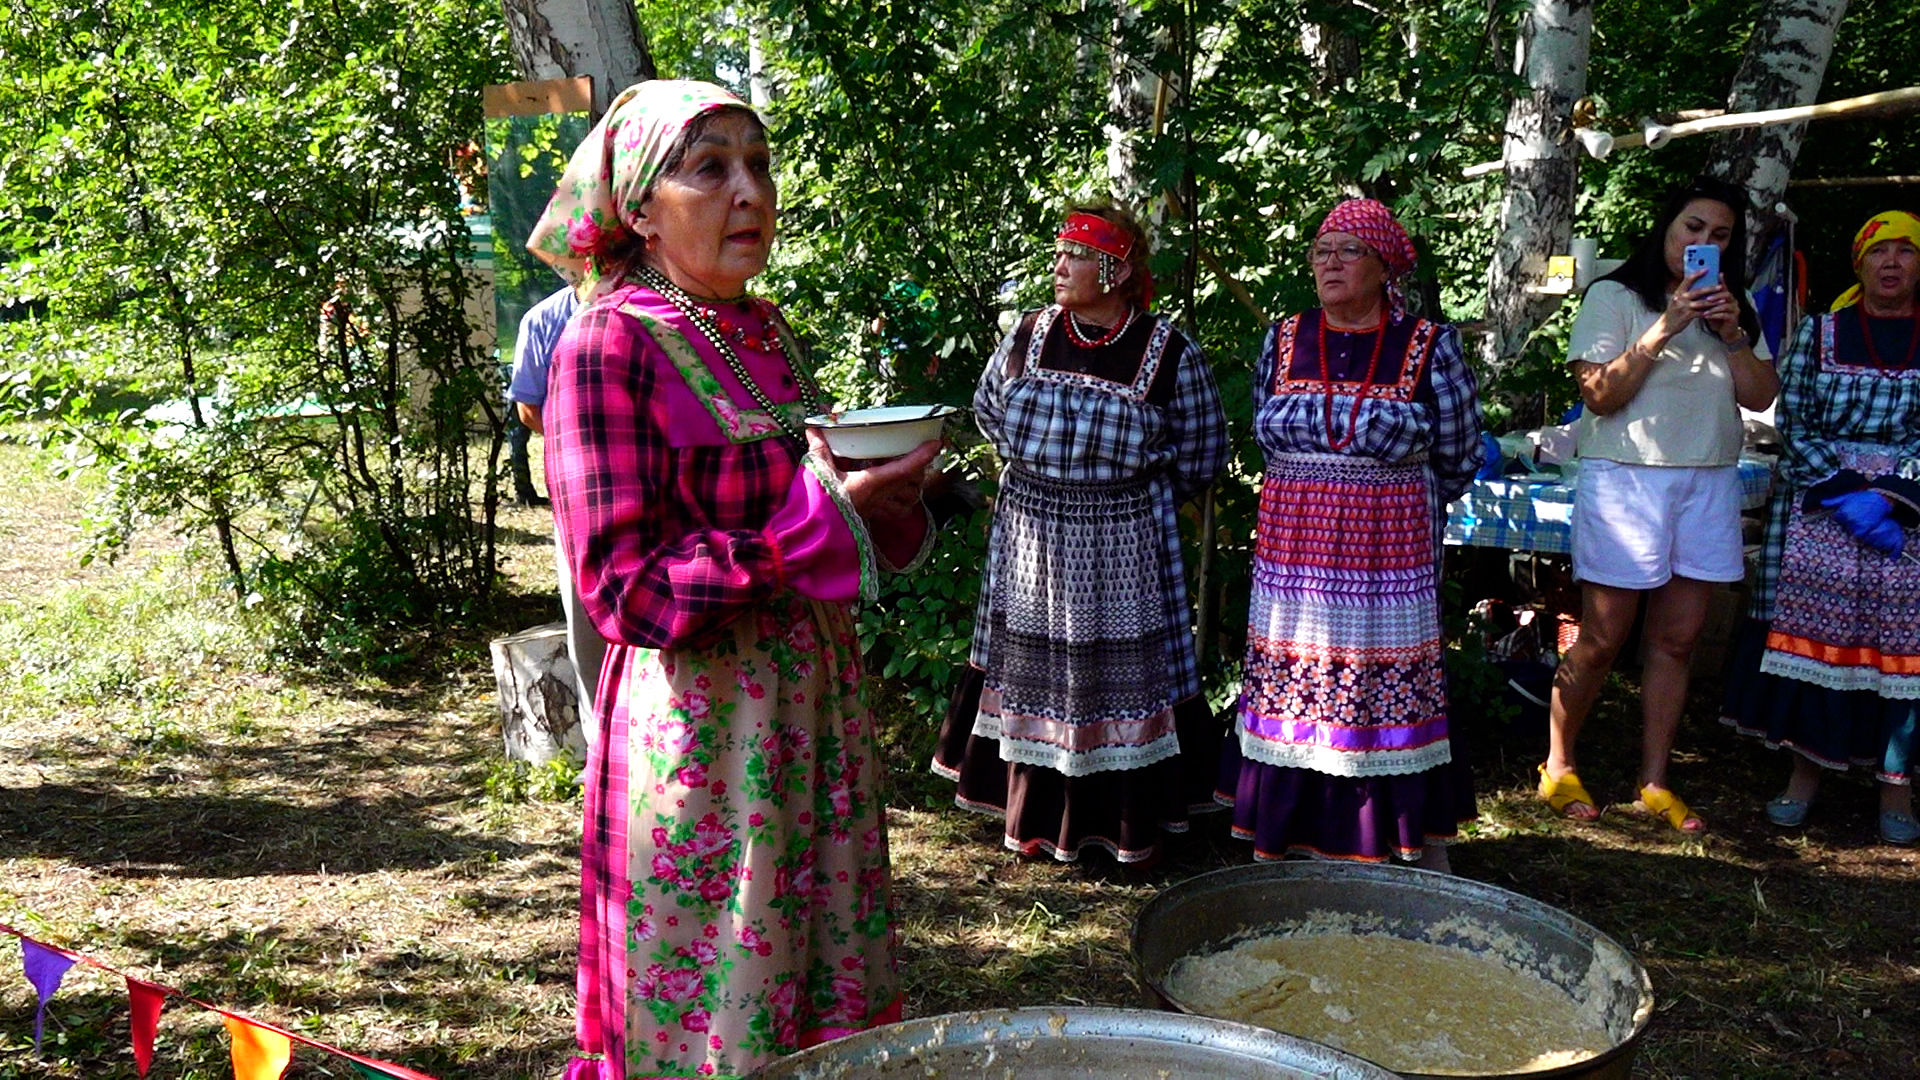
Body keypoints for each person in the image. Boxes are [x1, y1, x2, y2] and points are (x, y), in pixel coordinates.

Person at [526, 80, 939, 1080]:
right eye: (709, 168)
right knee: (710, 984)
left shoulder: (760, 328)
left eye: (757, 163)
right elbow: (622, 589)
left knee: (815, 956)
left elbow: (805, 506)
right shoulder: (606, 345)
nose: (748, 191)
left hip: (812, 703)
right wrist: (804, 530)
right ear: (638, 204)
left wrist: (880, 506)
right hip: (705, 730)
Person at [932, 204, 1229, 865]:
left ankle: (1120, 822)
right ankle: (1033, 816)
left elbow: (1204, 450)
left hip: (1119, 547)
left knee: (1111, 676)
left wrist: (1126, 499)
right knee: (1035, 668)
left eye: (1075, 255)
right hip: (1032, 537)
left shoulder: (1168, 351)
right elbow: (987, 408)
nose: (1058, 266)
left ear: (1117, 271)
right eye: (1059, 252)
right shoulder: (1030, 333)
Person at [1216, 198, 1484, 870]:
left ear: (1384, 266)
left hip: (1384, 565)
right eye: (1320, 251)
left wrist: (1383, 500)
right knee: (1296, 682)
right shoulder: (1282, 339)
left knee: (1374, 689)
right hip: (1294, 564)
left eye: (1348, 251)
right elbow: (1260, 432)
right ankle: (1287, 839)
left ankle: (1390, 843)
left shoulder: (1428, 345)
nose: (1330, 263)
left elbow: (1458, 453)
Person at [1538, 178, 1780, 833]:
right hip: (1625, 481)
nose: (1704, 244)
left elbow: (1760, 397)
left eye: (1720, 236)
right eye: (1692, 228)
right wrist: (1668, 324)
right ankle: (1557, 766)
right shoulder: (1613, 295)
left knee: (1677, 641)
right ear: (1666, 228)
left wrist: (1730, 333)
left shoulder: (1737, 305)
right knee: (1602, 639)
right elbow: (1598, 395)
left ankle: (1654, 781)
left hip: (1706, 482)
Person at [1720, 209, 1920, 846]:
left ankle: (1897, 784)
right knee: (1816, 644)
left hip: (1906, 518)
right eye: (1879, 251)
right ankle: (1805, 774)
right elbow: (1794, 420)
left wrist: (1892, 497)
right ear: (1858, 263)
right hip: (1820, 507)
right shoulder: (1819, 332)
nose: (1891, 263)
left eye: (1906, 252)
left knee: (1903, 650)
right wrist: (1842, 491)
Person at [506, 283, 610, 740]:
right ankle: (599, 744)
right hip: (579, 492)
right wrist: (581, 435)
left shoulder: (658, 305)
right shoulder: (543, 319)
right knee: (585, 618)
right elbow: (527, 406)